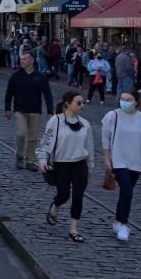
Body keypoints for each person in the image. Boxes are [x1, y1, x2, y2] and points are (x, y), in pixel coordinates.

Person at [102, 94, 141, 242]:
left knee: (125, 193)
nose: (124, 102)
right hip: (118, 160)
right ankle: (123, 224)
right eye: (122, 99)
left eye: (128, 100)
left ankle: (117, 221)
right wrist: (106, 158)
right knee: (127, 192)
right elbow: (105, 138)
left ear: (136, 102)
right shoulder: (113, 116)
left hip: (136, 162)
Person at [39, 90, 93, 243]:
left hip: (80, 164)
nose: (82, 105)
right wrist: (42, 160)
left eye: (83, 102)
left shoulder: (85, 124)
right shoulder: (55, 121)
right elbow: (44, 143)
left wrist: (91, 166)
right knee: (64, 195)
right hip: (61, 164)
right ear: (67, 104)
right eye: (79, 103)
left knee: (78, 196)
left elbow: (89, 146)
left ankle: (73, 229)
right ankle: (56, 205)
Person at [3, 52, 54, 171]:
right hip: (20, 109)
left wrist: (50, 111)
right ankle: (20, 157)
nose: (22, 61)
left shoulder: (40, 77)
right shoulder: (15, 76)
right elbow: (9, 93)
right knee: (21, 133)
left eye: (24, 59)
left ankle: (31, 160)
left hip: (35, 110)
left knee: (33, 137)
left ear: (32, 61)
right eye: (21, 59)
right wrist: (7, 108)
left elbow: (47, 94)